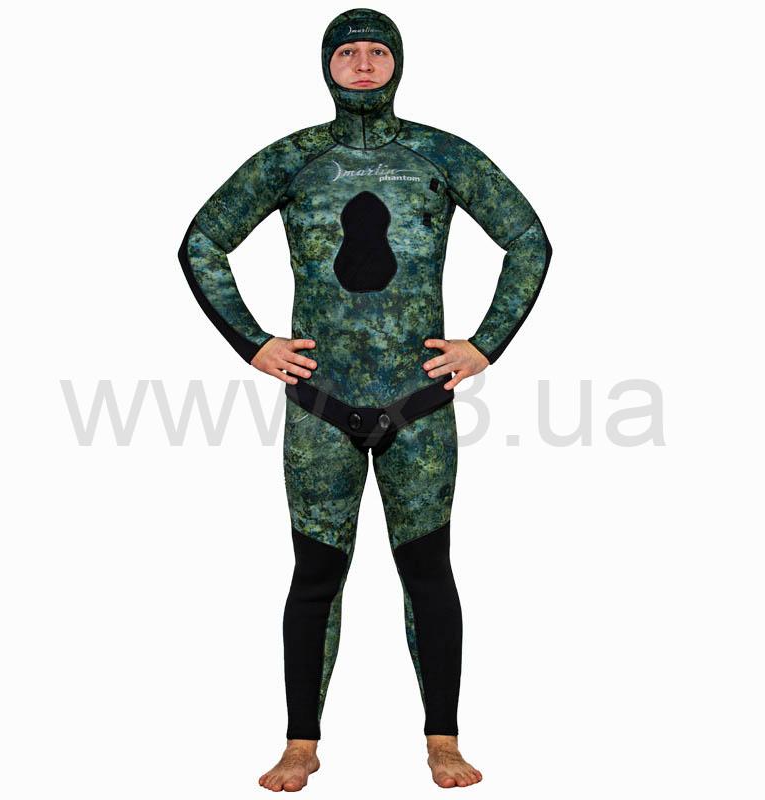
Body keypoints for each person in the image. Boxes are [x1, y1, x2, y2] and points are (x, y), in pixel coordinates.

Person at [178, 7, 552, 791]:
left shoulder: (441, 155)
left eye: (376, 50)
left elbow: (528, 239)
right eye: (346, 51)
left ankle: (443, 740)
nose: (361, 63)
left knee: (428, 572)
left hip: (420, 405)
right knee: (316, 574)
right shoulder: (294, 159)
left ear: (397, 63)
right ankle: (301, 744)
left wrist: (485, 344)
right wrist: (255, 343)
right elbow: (203, 240)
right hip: (320, 405)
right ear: (326, 64)